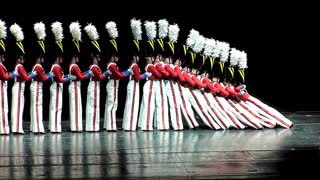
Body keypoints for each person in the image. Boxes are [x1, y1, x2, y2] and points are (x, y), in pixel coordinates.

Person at [104, 21, 132, 131]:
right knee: (113, 105)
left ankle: (107, 124)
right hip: (113, 85)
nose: (118, 58)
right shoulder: (112, 65)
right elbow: (119, 75)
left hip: (112, 85)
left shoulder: (111, 65)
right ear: (112, 56)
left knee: (109, 104)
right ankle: (111, 126)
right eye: (116, 56)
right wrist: (128, 72)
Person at [9, 23, 36, 134]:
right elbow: (25, 77)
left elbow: (24, 75)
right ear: (19, 58)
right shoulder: (19, 66)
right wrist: (33, 75)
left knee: (18, 108)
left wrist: (30, 73)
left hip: (19, 87)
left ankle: (17, 128)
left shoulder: (19, 66)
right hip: (19, 87)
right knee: (18, 108)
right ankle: (17, 128)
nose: (23, 59)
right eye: (22, 57)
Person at [49, 21, 75, 133]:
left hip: (57, 87)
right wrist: (70, 78)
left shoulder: (56, 67)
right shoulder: (56, 67)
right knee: (56, 108)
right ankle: (55, 127)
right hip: (56, 87)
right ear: (58, 57)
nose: (63, 60)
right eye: (61, 58)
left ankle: (54, 126)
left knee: (56, 107)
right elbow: (60, 79)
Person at [30, 24, 53, 133]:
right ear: (39, 57)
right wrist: (51, 75)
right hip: (37, 87)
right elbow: (43, 78)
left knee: (35, 106)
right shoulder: (38, 66)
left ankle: (34, 127)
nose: (43, 58)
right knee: (37, 106)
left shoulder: (37, 66)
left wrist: (48, 74)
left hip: (36, 86)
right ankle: (38, 128)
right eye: (42, 57)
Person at [84, 23, 107, 132]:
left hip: (95, 86)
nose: (99, 58)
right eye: (98, 56)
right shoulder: (94, 67)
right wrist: (107, 73)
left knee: (94, 106)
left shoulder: (94, 67)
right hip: (94, 86)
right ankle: (92, 127)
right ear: (95, 57)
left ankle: (93, 126)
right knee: (93, 106)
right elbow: (101, 77)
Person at [0, 25, 16, 134]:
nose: (4, 58)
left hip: (2, 87)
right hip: (1, 87)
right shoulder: (0, 65)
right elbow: (4, 77)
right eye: (3, 56)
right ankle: (3, 129)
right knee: (3, 108)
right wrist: (13, 75)